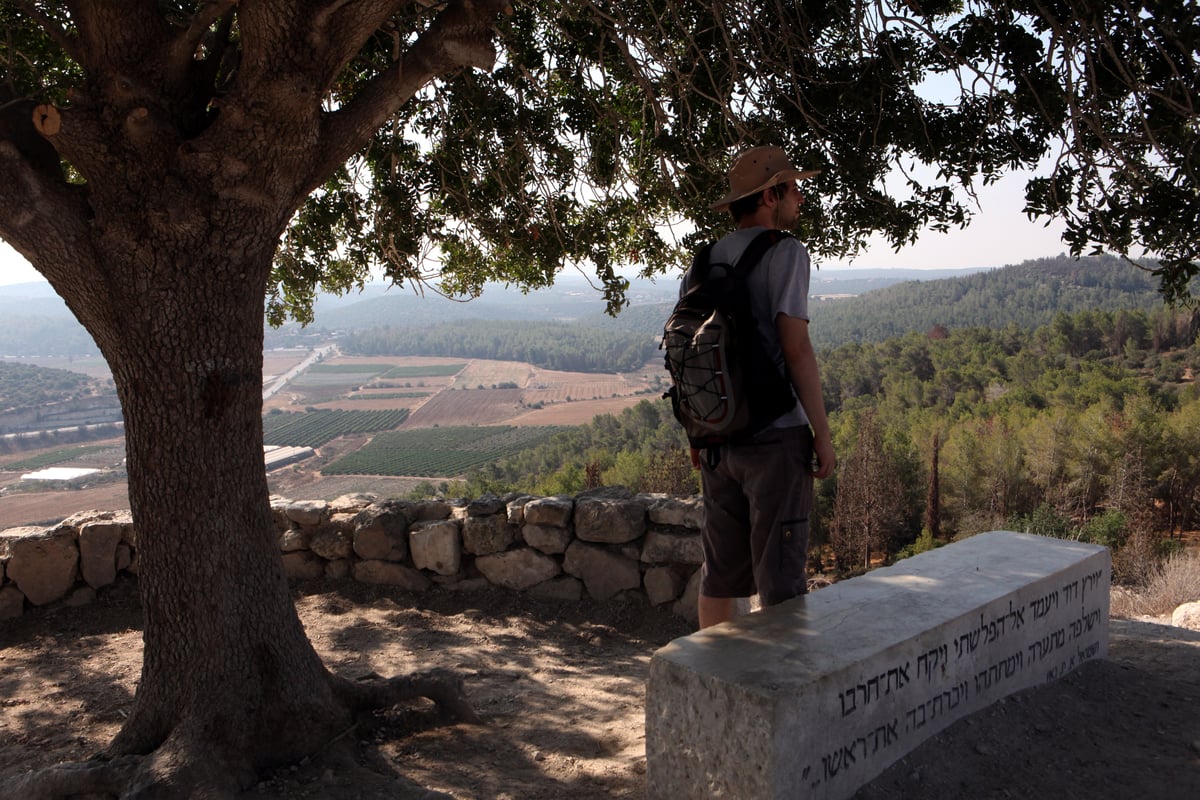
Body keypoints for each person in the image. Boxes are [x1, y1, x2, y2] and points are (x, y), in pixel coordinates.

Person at [687, 145, 837, 629]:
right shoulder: (786, 252)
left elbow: (691, 350)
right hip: (775, 437)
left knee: (719, 577)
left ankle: (709, 685)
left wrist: (697, 430)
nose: (801, 199)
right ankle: (781, 698)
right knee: (781, 586)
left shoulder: (704, 260)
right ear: (770, 195)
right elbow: (796, 348)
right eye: (793, 189)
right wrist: (822, 432)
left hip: (716, 437)